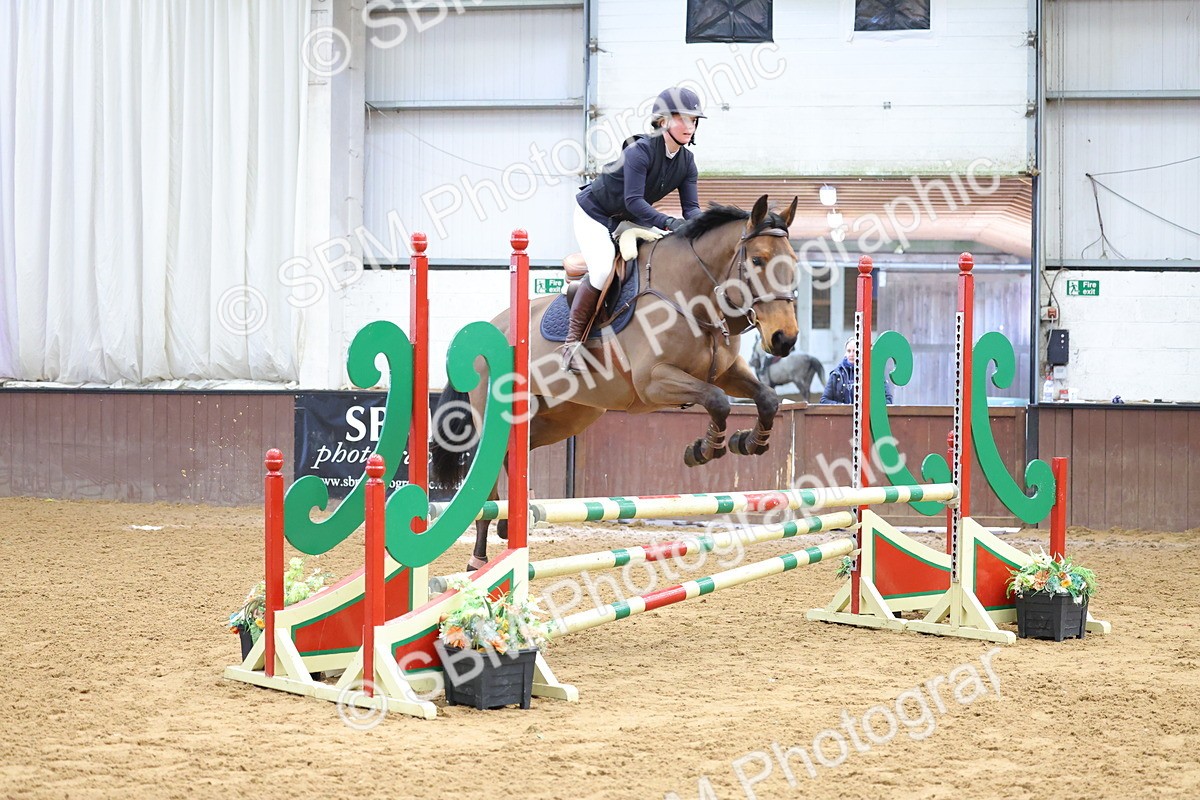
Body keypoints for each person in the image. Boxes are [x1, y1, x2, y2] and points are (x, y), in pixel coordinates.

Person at [560, 86, 706, 372]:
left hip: (630, 219)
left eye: (694, 120)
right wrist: (668, 223)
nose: (690, 126)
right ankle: (571, 344)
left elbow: (691, 210)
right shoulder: (641, 151)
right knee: (602, 269)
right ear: (663, 121)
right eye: (683, 119)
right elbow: (634, 201)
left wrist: (704, 229)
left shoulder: (687, 163)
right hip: (595, 214)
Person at [820, 336, 894, 404]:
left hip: (868, 418)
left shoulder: (874, 373)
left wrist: (870, 409)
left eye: (855, 351)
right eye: (849, 351)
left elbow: (888, 400)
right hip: (842, 418)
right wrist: (843, 408)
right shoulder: (836, 374)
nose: (851, 354)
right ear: (845, 353)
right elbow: (824, 400)